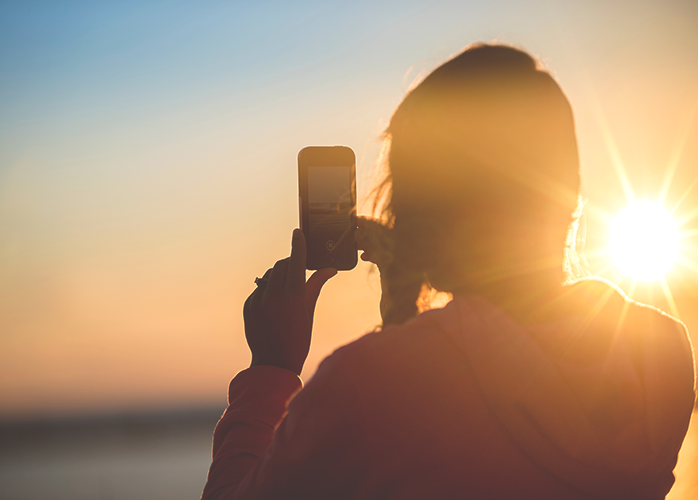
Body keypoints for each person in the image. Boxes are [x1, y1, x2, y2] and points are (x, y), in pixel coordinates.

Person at [201, 44, 696, 500]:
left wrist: (271, 368)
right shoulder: (662, 353)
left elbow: (417, 413)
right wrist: (402, 307)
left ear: (416, 206)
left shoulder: (364, 382)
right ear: (570, 189)